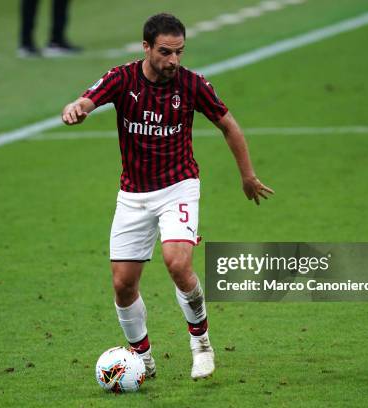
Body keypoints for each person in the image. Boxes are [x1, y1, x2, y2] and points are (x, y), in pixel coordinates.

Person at [61, 13, 273, 379]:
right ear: (145, 47)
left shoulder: (192, 85)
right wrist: (75, 108)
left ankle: (201, 342)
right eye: (165, 52)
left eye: (179, 52)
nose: (174, 60)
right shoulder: (121, 78)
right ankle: (141, 357)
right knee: (122, 285)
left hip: (179, 186)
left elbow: (228, 125)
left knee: (177, 263)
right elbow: (84, 100)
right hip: (133, 194)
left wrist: (248, 176)